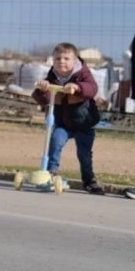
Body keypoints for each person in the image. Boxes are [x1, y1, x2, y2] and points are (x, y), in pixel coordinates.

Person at [32, 42, 104, 195]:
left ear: (75, 60)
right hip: (63, 123)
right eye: (57, 58)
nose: (61, 61)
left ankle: (89, 180)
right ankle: (51, 173)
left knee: (84, 154)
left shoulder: (82, 73)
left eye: (66, 58)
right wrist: (42, 89)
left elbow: (92, 88)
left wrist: (78, 87)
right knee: (55, 141)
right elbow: (42, 99)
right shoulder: (53, 76)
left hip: (84, 122)